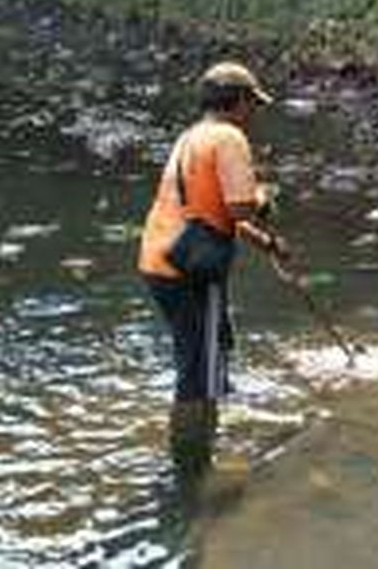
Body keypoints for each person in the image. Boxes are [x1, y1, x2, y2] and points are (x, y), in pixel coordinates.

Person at [138, 62, 289, 481]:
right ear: (237, 101)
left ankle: (200, 438)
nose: (252, 112)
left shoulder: (192, 137)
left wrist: (267, 244)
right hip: (189, 269)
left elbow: (211, 209)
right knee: (198, 368)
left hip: (162, 259)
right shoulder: (229, 137)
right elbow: (240, 207)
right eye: (251, 103)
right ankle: (192, 470)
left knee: (206, 352)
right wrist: (265, 197)